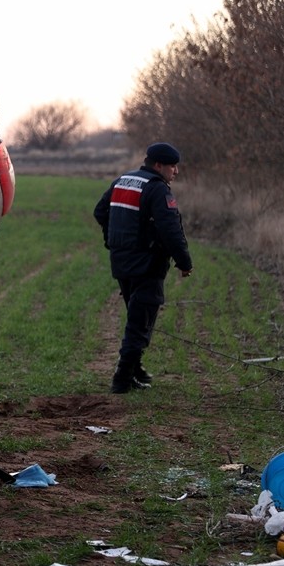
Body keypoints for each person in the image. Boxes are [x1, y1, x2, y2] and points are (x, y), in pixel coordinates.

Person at [94, 142, 193, 394]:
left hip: (121, 263)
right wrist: (184, 262)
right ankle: (122, 380)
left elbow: (100, 211)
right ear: (158, 165)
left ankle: (135, 371)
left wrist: (113, 239)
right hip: (148, 266)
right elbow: (171, 230)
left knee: (137, 318)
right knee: (140, 324)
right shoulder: (157, 189)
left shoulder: (123, 180)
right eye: (173, 166)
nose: (176, 171)